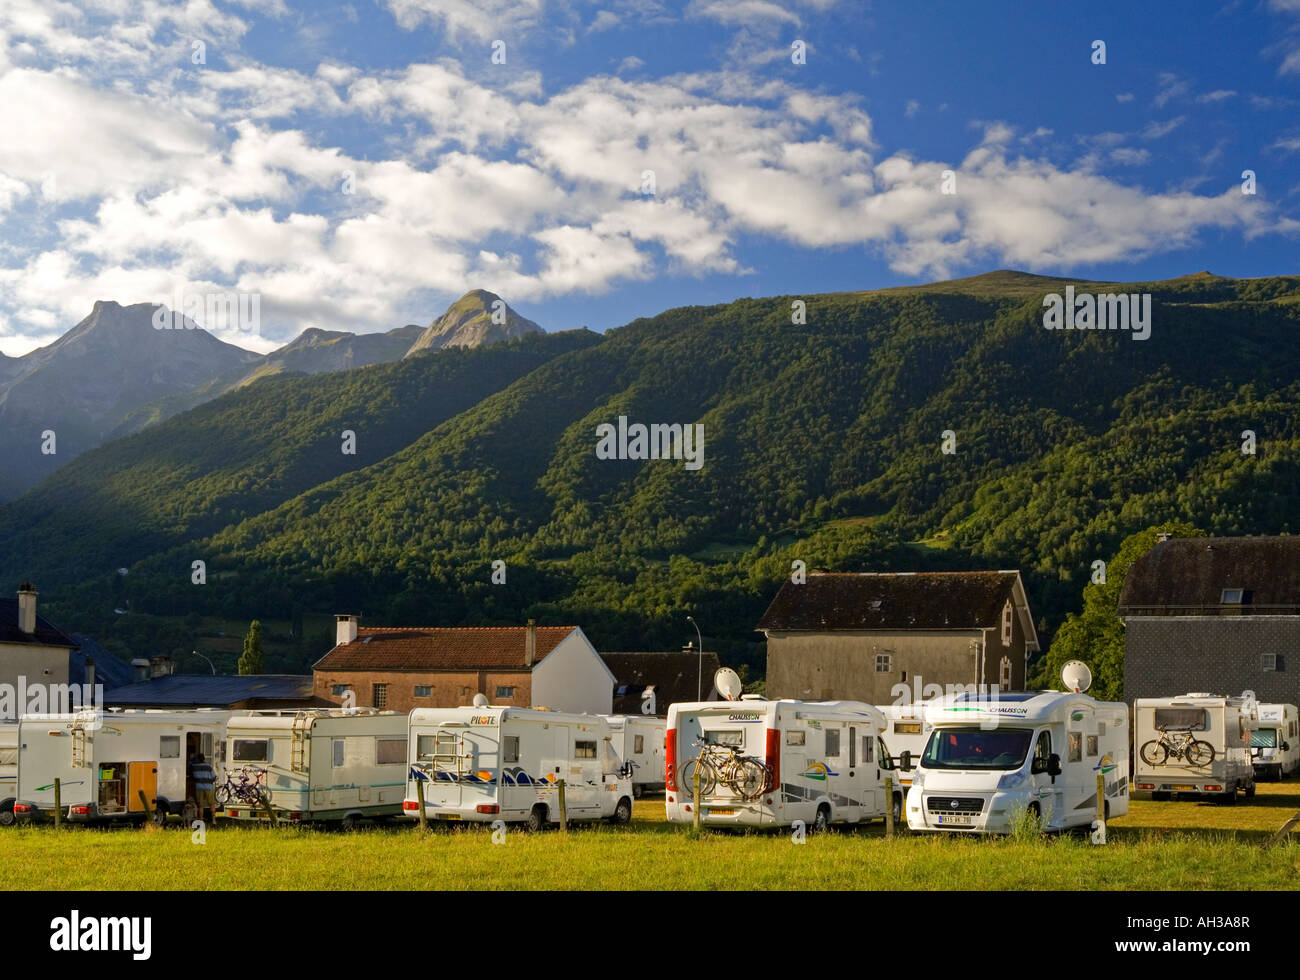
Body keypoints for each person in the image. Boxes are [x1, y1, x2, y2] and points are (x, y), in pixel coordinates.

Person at [189, 751, 216, 824]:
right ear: (204, 759)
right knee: (211, 804)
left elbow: (190, 767)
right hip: (209, 787)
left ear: (197, 759)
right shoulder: (209, 766)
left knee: (201, 805)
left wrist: (192, 758)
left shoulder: (194, 766)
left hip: (199, 787)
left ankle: (201, 820)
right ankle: (213, 820)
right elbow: (214, 777)